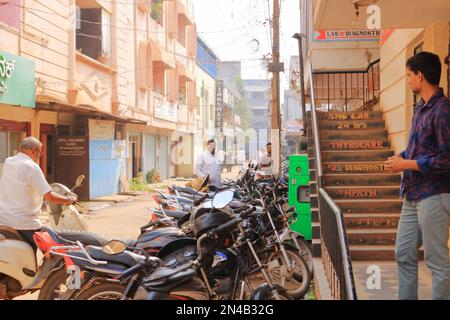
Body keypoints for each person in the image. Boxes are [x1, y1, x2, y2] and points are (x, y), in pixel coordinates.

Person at [384, 51, 450, 300]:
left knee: (437, 262)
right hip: (412, 195)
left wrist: (407, 163)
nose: (408, 80)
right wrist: (399, 159)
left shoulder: (443, 111)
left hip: (435, 196)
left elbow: (446, 159)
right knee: (403, 253)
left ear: (420, 76)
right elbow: (419, 149)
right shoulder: (421, 109)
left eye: (409, 75)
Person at [0, 137, 77, 253]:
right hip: (25, 222)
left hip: (4, 221)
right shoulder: (31, 167)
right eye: (40, 152)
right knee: (53, 251)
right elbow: (49, 196)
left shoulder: (9, 162)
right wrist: (68, 200)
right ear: (33, 150)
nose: (40, 155)